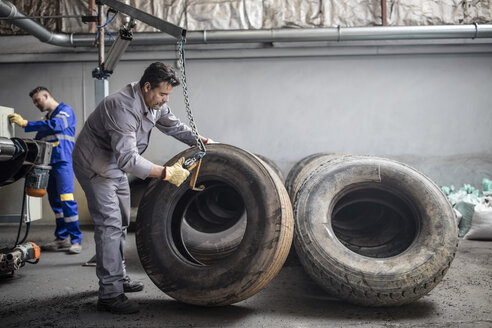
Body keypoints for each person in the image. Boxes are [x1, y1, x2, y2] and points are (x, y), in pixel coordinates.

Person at [72, 62, 213, 314]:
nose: (165, 99)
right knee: (110, 224)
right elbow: (129, 160)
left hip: (116, 166)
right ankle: (110, 293)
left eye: (168, 95)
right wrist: (166, 173)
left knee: (123, 220)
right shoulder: (121, 107)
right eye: (162, 94)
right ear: (147, 87)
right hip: (95, 166)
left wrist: (198, 140)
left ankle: (119, 276)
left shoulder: (154, 102)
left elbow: (173, 125)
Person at [8, 87, 83, 254]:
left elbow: (57, 126)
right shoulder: (45, 121)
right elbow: (37, 144)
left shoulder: (65, 112)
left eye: (37, 100)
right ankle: (62, 238)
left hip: (63, 163)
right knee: (55, 202)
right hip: (48, 166)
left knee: (66, 199)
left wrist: (27, 124)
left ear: (46, 95)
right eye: (34, 102)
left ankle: (76, 240)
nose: (36, 104)